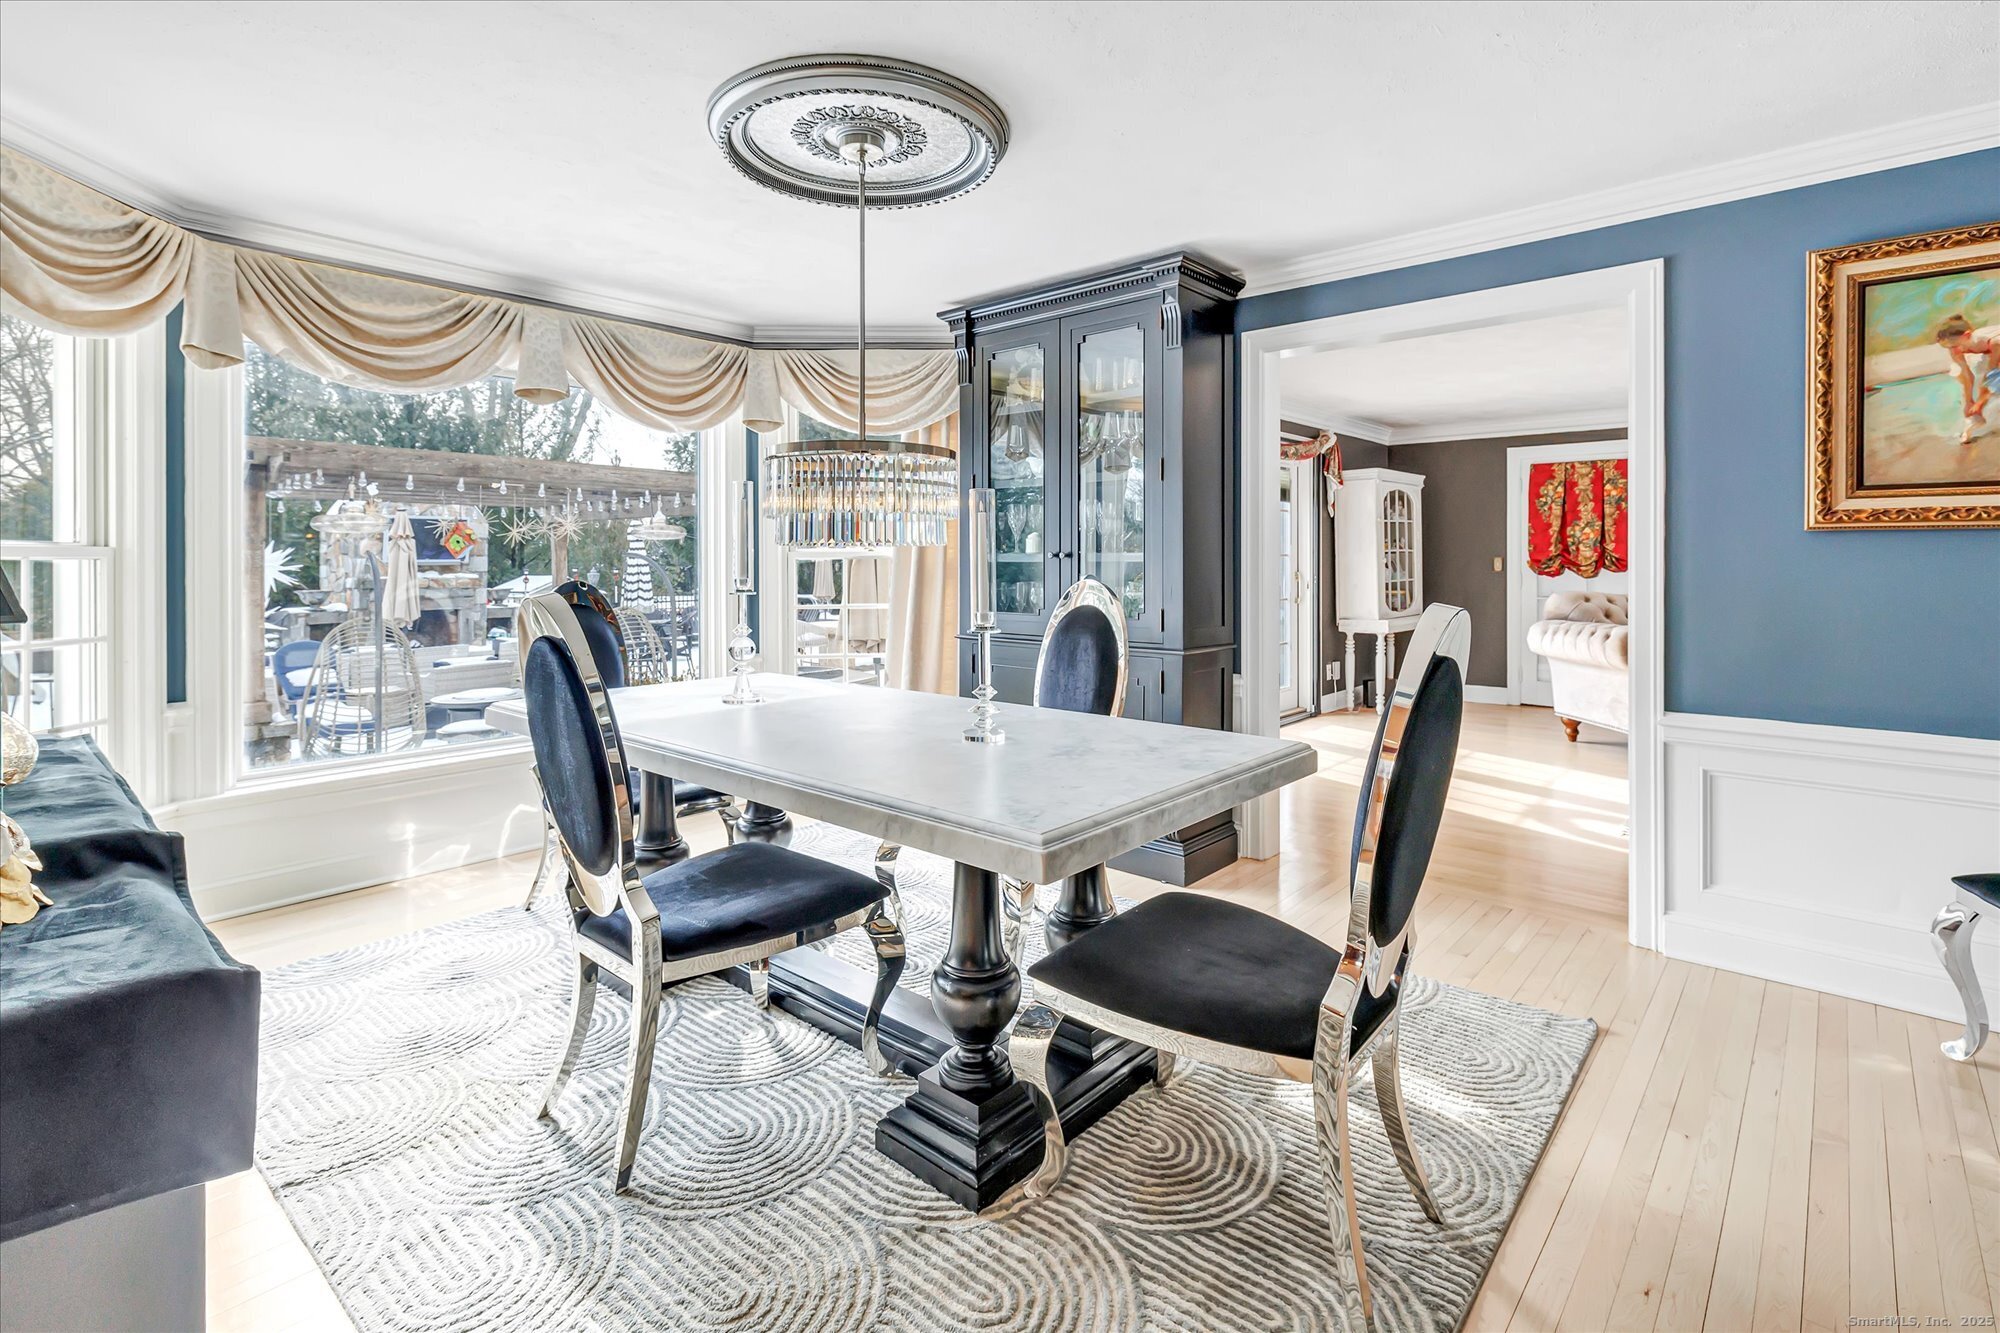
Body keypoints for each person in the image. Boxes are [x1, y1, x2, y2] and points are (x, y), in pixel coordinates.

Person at [1935, 313, 2000, 444]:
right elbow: (1966, 375)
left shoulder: (1993, 342)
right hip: (1990, 353)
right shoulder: (1956, 347)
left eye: (1953, 346)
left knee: (1994, 379)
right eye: (1948, 347)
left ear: (1966, 335)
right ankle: (1975, 420)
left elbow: (1991, 373)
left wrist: (1980, 402)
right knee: (1958, 371)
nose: (1953, 351)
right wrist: (1969, 401)